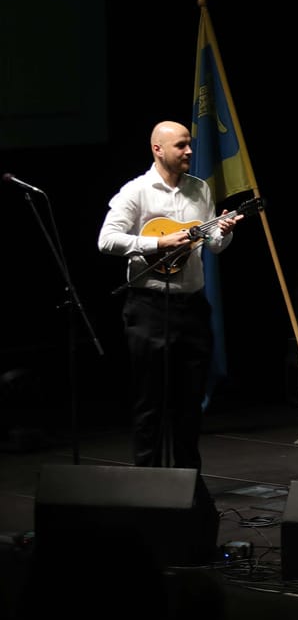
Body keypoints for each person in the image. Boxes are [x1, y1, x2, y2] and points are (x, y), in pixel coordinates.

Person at [98, 120, 242, 471]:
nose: (189, 151)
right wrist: (156, 242)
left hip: (191, 308)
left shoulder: (199, 190)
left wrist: (223, 231)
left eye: (189, 144)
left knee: (189, 403)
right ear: (157, 150)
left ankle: (188, 482)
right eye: (180, 146)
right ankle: (147, 482)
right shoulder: (137, 192)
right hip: (149, 308)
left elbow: (214, 245)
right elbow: (107, 240)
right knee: (151, 403)